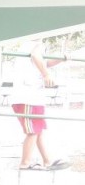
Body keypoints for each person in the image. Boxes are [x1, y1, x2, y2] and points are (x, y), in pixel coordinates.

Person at [10, 39, 71, 171]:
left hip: (33, 96)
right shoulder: (34, 41)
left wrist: (60, 59)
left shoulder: (34, 44)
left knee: (38, 131)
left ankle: (47, 161)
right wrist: (46, 74)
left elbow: (43, 62)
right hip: (28, 96)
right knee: (33, 132)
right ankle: (25, 163)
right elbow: (35, 55)